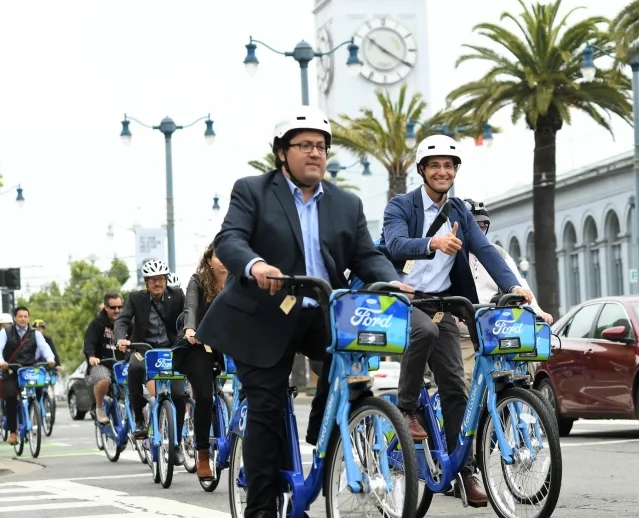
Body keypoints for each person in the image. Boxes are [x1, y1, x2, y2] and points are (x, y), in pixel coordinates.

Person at [194, 105, 411, 518]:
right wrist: (256, 266)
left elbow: (366, 255)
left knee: (353, 371)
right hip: (260, 317)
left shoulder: (346, 204)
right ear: (282, 153)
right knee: (267, 410)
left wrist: (392, 281)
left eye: (322, 147)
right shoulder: (252, 190)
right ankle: (260, 509)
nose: (315, 153)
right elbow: (231, 239)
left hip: (318, 312)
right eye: (305, 145)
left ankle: (322, 426)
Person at [381, 134, 533, 505]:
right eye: (435, 165)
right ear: (422, 170)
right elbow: (395, 244)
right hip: (402, 300)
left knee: (455, 388)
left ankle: (463, 471)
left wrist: (514, 285)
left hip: (443, 303)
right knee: (425, 330)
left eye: (449, 166)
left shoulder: (460, 212)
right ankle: (407, 409)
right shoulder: (400, 206)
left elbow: (485, 250)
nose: (443, 171)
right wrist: (432, 243)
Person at [458, 198, 552, 387]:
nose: (479, 232)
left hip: (496, 332)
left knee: (519, 374)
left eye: (482, 227)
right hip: (462, 336)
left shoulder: (497, 253)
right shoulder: (451, 252)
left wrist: (537, 311)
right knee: (464, 381)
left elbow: (520, 286)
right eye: (474, 227)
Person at [114, 259, 187, 465]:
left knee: (179, 395)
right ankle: (139, 420)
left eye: (161, 279)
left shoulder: (177, 295)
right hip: (143, 348)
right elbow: (122, 320)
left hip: (171, 349)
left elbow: (187, 317)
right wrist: (121, 338)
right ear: (146, 282)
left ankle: (177, 442)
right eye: (153, 280)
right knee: (135, 369)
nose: (158, 283)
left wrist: (187, 334)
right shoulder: (136, 298)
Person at [176, 242, 228, 481]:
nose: (224, 260)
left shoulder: (238, 281)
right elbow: (191, 307)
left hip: (228, 343)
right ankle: (203, 454)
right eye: (219, 256)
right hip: (198, 343)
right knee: (204, 396)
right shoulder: (197, 281)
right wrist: (190, 328)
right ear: (209, 260)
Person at [0, 306, 56, 444]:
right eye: (20, 316)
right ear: (15, 318)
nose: (23, 319)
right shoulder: (5, 332)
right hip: (11, 370)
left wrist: (50, 359)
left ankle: (33, 410)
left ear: (28, 318)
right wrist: (2, 362)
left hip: (29, 370)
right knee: (11, 397)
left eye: (26, 316)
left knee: (38, 391)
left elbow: (44, 347)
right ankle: (13, 432)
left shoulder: (35, 333)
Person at [83, 293, 125, 424]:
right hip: (102, 364)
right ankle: (99, 408)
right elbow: (89, 343)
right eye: (113, 307)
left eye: (120, 307)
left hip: (122, 365)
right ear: (106, 307)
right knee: (103, 380)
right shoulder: (97, 324)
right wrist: (91, 357)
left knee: (142, 387)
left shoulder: (127, 323)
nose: (117, 310)